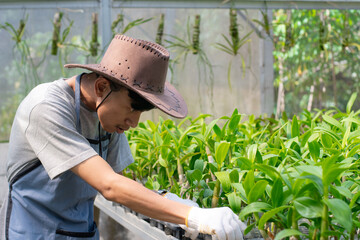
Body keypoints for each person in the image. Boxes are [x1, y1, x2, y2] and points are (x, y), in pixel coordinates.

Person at [0, 34, 246, 240]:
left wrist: (172, 203)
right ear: (102, 88)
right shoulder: (46, 106)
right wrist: (190, 216)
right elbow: (110, 186)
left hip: (81, 233)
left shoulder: (108, 117)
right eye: (132, 108)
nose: (134, 122)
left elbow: (122, 180)